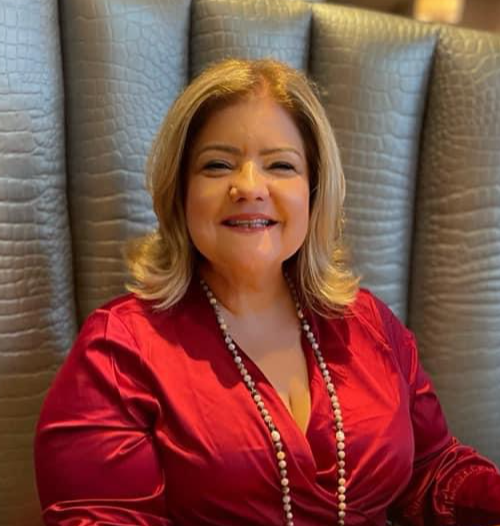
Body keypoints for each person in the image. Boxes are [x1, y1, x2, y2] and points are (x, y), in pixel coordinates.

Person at [34, 58, 500, 526]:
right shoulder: (118, 351)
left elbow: (432, 472)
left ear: (313, 192)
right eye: (217, 165)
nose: (249, 187)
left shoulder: (369, 323)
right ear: (180, 193)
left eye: (281, 165)